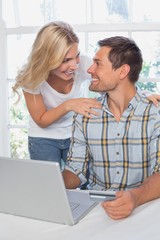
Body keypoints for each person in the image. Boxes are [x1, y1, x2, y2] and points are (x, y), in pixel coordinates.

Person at [62, 36, 160, 220]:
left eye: (98, 64)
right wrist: (51, 183)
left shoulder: (155, 114)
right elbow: (76, 170)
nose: (90, 69)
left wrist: (135, 196)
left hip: (144, 208)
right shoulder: (85, 113)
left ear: (123, 71)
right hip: (97, 211)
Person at [12, 21, 102, 168]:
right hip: (42, 139)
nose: (74, 66)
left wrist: (142, 95)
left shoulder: (83, 62)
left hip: (76, 135)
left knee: (83, 183)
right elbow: (41, 120)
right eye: (65, 60)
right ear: (47, 59)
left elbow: (113, 82)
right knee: (46, 187)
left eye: (76, 56)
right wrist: (69, 105)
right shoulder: (31, 74)